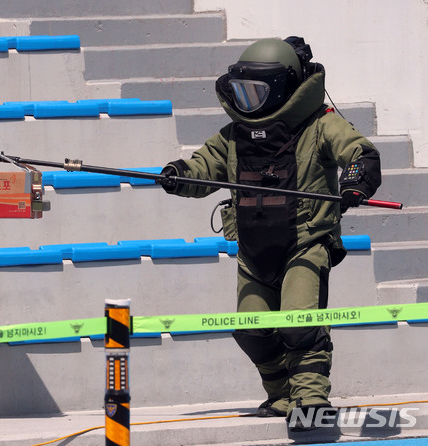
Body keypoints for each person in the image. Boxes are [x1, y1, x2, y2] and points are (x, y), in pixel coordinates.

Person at [158, 36, 381, 431]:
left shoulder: (321, 125)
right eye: (240, 93)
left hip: (305, 243)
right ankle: (281, 395)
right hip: (254, 251)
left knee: (299, 322)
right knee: (250, 327)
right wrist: (178, 176)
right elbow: (202, 170)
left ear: (281, 89)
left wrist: (355, 182)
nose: (247, 102)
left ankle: (311, 402)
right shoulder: (232, 136)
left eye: (255, 93)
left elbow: (360, 153)